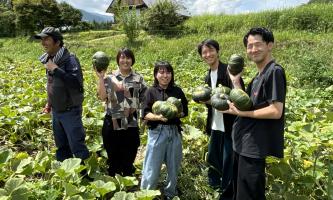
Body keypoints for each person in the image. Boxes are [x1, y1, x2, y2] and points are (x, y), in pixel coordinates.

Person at [224, 27, 287, 200]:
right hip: (243, 144)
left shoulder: (274, 71)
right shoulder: (259, 75)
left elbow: (276, 111)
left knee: (250, 195)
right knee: (240, 193)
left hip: (254, 146)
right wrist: (236, 82)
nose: (253, 49)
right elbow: (247, 105)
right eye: (249, 46)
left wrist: (244, 114)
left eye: (258, 45)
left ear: (270, 45)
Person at [35, 27, 89, 162]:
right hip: (56, 111)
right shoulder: (50, 60)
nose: (43, 43)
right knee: (61, 146)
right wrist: (49, 104)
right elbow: (52, 84)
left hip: (70, 111)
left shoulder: (70, 60)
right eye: (42, 39)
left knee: (77, 146)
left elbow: (77, 84)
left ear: (57, 42)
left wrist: (57, 70)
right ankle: (65, 173)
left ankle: (85, 177)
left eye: (46, 39)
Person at [197, 39, 243, 199]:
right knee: (213, 159)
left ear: (217, 51)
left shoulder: (229, 71)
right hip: (215, 125)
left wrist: (210, 101)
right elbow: (209, 101)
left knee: (228, 162)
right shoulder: (208, 76)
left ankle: (226, 194)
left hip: (230, 127)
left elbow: (239, 98)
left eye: (210, 50)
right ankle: (213, 189)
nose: (208, 54)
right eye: (204, 52)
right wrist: (205, 101)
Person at [140, 61, 188, 199]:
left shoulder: (177, 91)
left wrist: (177, 113)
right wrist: (157, 117)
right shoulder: (151, 91)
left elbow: (185, 112)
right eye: (161, 72)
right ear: (156, 75)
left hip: (174, 131)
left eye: (167, 72)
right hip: (157, 131)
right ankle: (147, 194)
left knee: (174, 166)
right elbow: (145, 114)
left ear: (171, 74)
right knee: (151, 166)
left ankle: (170, 194)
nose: (165, 75)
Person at [96, 48, 147, 176]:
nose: (125, 60)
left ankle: (128, 175)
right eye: (122, 57)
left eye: (128, 58)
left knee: (130, 150)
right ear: (118, 60)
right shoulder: (110, 78)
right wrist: (101, 78)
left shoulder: (138, 78)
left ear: (132, 60)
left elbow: (144, 98)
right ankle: (114, 175)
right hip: (112, 118)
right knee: (112, 151)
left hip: (131, 119)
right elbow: (102, 97)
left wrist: (139, 112)